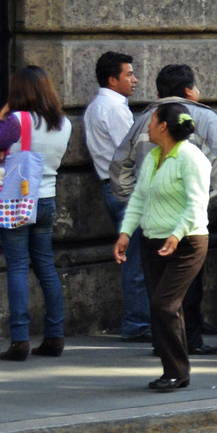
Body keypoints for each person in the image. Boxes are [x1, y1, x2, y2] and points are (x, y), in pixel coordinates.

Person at [108, 64, 217, 358]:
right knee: (185, 281)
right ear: (190, 90)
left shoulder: (144, 119)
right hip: (185, 218)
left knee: (159, 284)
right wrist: (207, 202)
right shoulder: (204, 117)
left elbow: (119, 164)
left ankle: (164, 342)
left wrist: (135, 201)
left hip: (153, 219)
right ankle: (187, 341)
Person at [115, 102, 212, 391]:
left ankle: (178, 371)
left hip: (187, 242)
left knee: (164, 304)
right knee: (163, 308)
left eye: (152, 120)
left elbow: (197, 204)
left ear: (163, 127)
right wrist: (125, 233)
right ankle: (173, 370)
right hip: (153, 240)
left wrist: (176, 234)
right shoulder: (154, 157)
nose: (147, 125)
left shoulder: (191, 158)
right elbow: (139, 198)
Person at [0, 66, 72, 361]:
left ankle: (20, 339)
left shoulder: (16, 119)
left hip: (16, 199)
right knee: (46, 266)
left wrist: (0, 117)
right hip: (47, 198)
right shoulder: (64, 123)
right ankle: (55, 335)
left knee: (18, 268)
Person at [83, 50, 148, 342]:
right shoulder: (113, 108)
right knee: (135, 259)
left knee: (133, 255)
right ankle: (138, 322)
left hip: (111, 185)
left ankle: (139, 320)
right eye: (129, 74)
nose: (134, 80)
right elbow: (131, 150)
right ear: (112, 79)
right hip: (125, 189)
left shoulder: (98, 106)